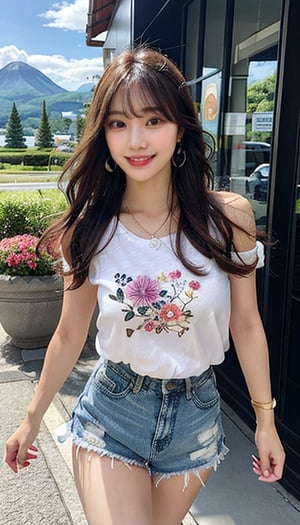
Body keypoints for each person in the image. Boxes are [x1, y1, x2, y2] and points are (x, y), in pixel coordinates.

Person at [5, 47, 285, 525]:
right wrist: (31, 418)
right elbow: (70, 334)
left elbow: (246, 324)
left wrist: (266, 421)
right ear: (104, 135)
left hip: (195, 413)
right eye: (118, 123)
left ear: (180, 130)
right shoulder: (90, 229)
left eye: (153, 120)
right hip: (113, 411)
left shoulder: (227, 219)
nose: (136, 139)